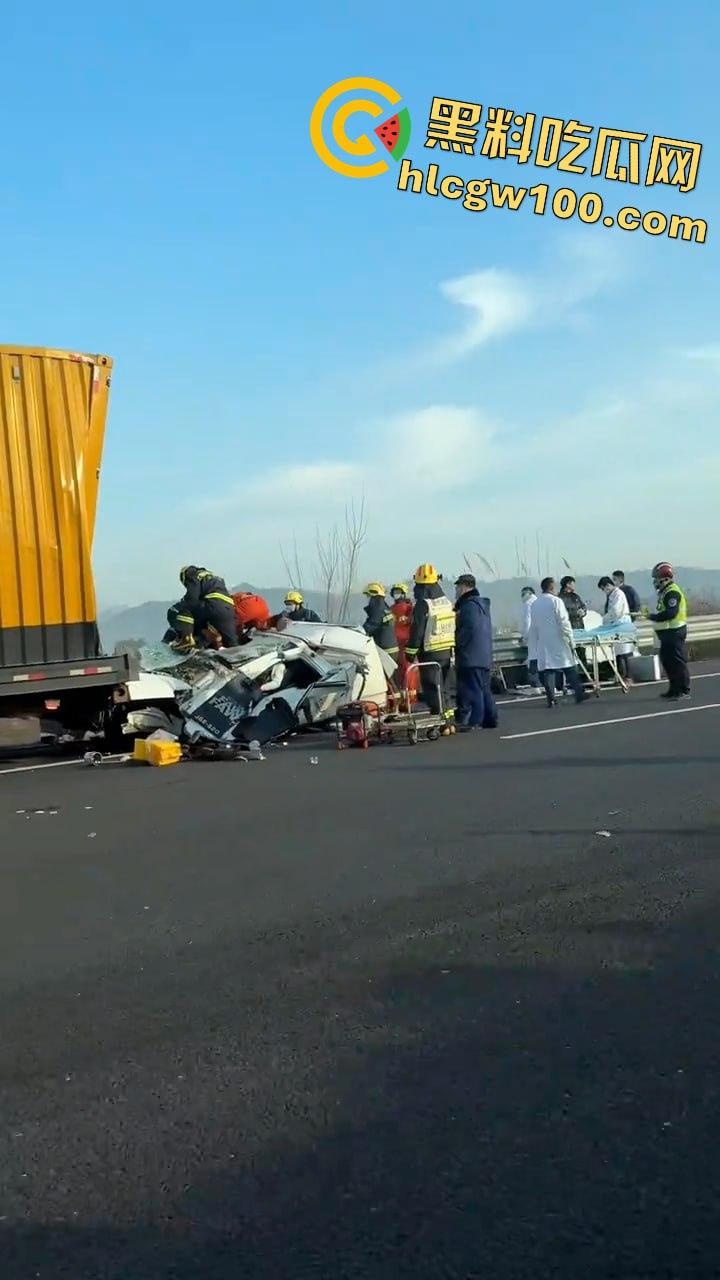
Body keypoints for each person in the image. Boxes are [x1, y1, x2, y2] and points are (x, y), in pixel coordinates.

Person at [405, 563, 455, 717]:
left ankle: (439, 717)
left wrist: (410, 652)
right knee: (444, 687)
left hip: (430, 652)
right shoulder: (446, 602)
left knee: (432, 687)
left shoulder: (423, 604)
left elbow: (417, 630)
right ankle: (448, 717)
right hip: (446, 652)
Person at [529, 577, 587, 708]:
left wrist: (534, 645)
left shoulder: (535, 604)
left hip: (543, 641)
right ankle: (578, 693)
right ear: (551, 588)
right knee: (569, 667)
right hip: (558, 640)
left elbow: (533, 626)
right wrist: (570, 639)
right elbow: (564, 622)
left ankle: (551, 699)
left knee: (548, 669)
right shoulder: (556, 601)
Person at [453, 574, 497, 730]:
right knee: (484, 688)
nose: (456, 591)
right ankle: (490, 718)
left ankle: (475, 720)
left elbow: (468, 630)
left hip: (470, 654)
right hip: (483, 653)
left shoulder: (468, 606)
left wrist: (458, 644)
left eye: (458, 587)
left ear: (464, 587)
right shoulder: (481, 605)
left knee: (474, 689)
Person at [649, 561, 690, 700]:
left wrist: (653, 617)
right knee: (667, 662)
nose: (655, 582)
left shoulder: (672, 592)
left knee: (677, 662)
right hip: (667, 634)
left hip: (675, 632)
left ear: (665, 578)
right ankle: (674, 689)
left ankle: (683, 690)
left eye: (657, 578)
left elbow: (671, 613)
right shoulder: (664, 592)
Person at [172, 566, 237, 648]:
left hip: (212, 605)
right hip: (228, 608)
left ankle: (187, 639)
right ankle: (238, 652)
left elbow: (192, 598)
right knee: (231, 643)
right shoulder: (214, 577)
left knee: (186, 608)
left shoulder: (192, 575)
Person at [598, 576, 634, 680]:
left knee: (625, 652)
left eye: (603, 588)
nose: (604, 591)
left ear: (608, 585)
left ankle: (628, 676)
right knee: (618, 652)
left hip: (622, 625)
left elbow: (616, 611)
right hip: (616, 626)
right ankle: (620, 675)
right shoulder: (612, 595)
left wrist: (605, 619)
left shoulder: (618, 594)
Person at [389, 583, 416, 690]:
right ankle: (402, 691)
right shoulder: (391, 608)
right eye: (395, 592)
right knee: (398, 669)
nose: (396, 594)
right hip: (395, 643)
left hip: (406, 642)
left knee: (407, 668)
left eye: (399, 592)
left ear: (404, 594)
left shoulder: (410, 608)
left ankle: (410, 692)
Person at [362, 583, 398, 656]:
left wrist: (361, 632)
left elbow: (372, 625)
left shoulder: (377, 608)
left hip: (385, 651)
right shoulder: (383, 607)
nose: (367, 598)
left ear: (373, 595)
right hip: (390, 648)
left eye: (368, 595)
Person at [520, 587, 542, 689]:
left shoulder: (528, 604)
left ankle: (536, 682)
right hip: (543, 635)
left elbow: (527, 622)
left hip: (533, 636)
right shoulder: (540, 602)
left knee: (533, 658)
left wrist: (525, 636)